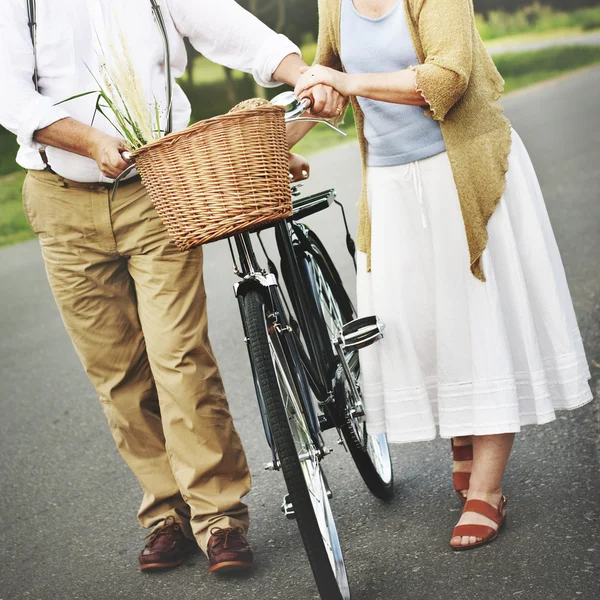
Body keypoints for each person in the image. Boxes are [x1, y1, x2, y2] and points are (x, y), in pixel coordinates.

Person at [0, 0, 344, 574]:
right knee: (116, 372)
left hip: (157, 189)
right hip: (60, 199)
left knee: (179, 355)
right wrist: (87, 141)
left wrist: (298, 71)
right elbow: (11, 95)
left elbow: (229, 27)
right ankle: (166, 512)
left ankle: (219, 517)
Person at [290, 0, 593, 550]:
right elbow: (326, 81)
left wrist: (345, 79)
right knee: (422, 324)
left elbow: (445, 79)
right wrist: (276, 142)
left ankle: (488, 489)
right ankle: (463, 431)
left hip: (462, 171)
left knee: (479, 320)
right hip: (391, 185)